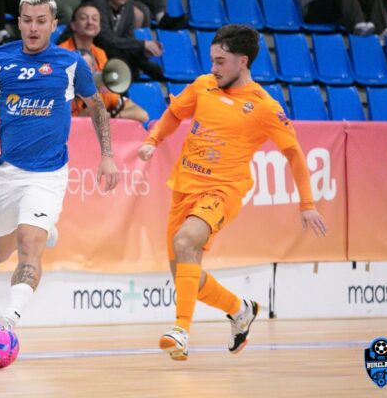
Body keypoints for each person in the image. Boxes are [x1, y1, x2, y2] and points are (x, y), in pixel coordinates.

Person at [136, 24, 328, 361]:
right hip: (184, 186)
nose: (213, 67)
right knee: (184, 275)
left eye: (220, 61)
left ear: (242, 62)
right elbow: (175, 114)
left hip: (223, 191)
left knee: (185, 241)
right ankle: (240, 309)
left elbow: (294, 154)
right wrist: (153, 140)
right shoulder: (203, 86)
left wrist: (307, 204)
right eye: (212, 60)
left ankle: (180, 330)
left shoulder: (264, 106)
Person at [0, 0, 119, 335]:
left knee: (28, 245)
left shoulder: (71, 63)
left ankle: (8, 321)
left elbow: (97, 107)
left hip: (48, 174)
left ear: (54, 25)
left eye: (41, 21)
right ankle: (44, 227)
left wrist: (108, 156)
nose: (33, 28)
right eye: (27, 21)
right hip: (8, 172)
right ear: (19, 22)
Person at [57, 2, 147, 123]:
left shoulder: (100, 53)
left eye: (95, 19)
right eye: (84, 18)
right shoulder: (61, 53)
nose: (90, 22)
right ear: (73, 25)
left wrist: (112, 115)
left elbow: (103, 83)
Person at [83, 0, 164, 80]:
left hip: (112, 55)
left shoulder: (128, 7)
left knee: (138, 67)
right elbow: (105, 40)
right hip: (91, 55)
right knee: (126, 67)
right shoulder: (98, 4)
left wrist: (143, 51)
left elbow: (127, 40)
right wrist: (142, 44)